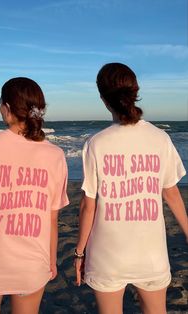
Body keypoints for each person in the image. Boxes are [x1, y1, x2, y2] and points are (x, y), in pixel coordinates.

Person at [75, 63, 188, 314]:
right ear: (135, 91)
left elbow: (88, 205)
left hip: (107, 257)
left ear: (103, 99)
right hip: (151, 256)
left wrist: (79, 252)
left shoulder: (96, 143)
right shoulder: (160, 138)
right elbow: (171, 193)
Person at [0, 77, 69, 314]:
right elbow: (51, 220)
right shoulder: (55, 155)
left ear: (7, 108)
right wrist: (51, 261)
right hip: (31, 267)